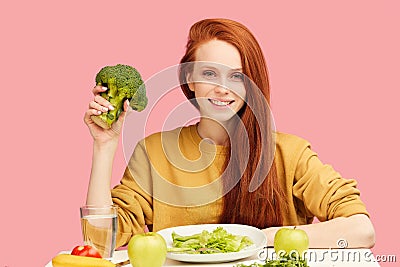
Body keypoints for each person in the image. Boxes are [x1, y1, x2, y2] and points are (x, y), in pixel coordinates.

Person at [84, 18, 375, 249]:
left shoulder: (290, 153)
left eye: (236, 76)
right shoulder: (155, 152)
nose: (223, 88)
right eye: (210, 73)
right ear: (189, 78)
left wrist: (264, 238)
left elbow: (362, 230)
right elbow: (99, 242)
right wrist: (104, 146)